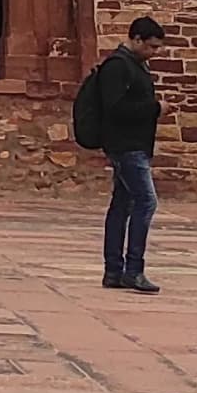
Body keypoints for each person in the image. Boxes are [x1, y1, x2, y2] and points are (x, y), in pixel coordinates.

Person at [72, 14, 168, 292]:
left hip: (133, 145)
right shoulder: (118, 66)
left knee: (122, 205)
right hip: (126, 147)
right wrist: (155, 109)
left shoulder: (135, 66)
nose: (154, 52)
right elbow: (115, 109)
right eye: (151, 46)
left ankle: (114, 271)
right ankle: (133, 269)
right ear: (135, 39)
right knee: (146, 202)